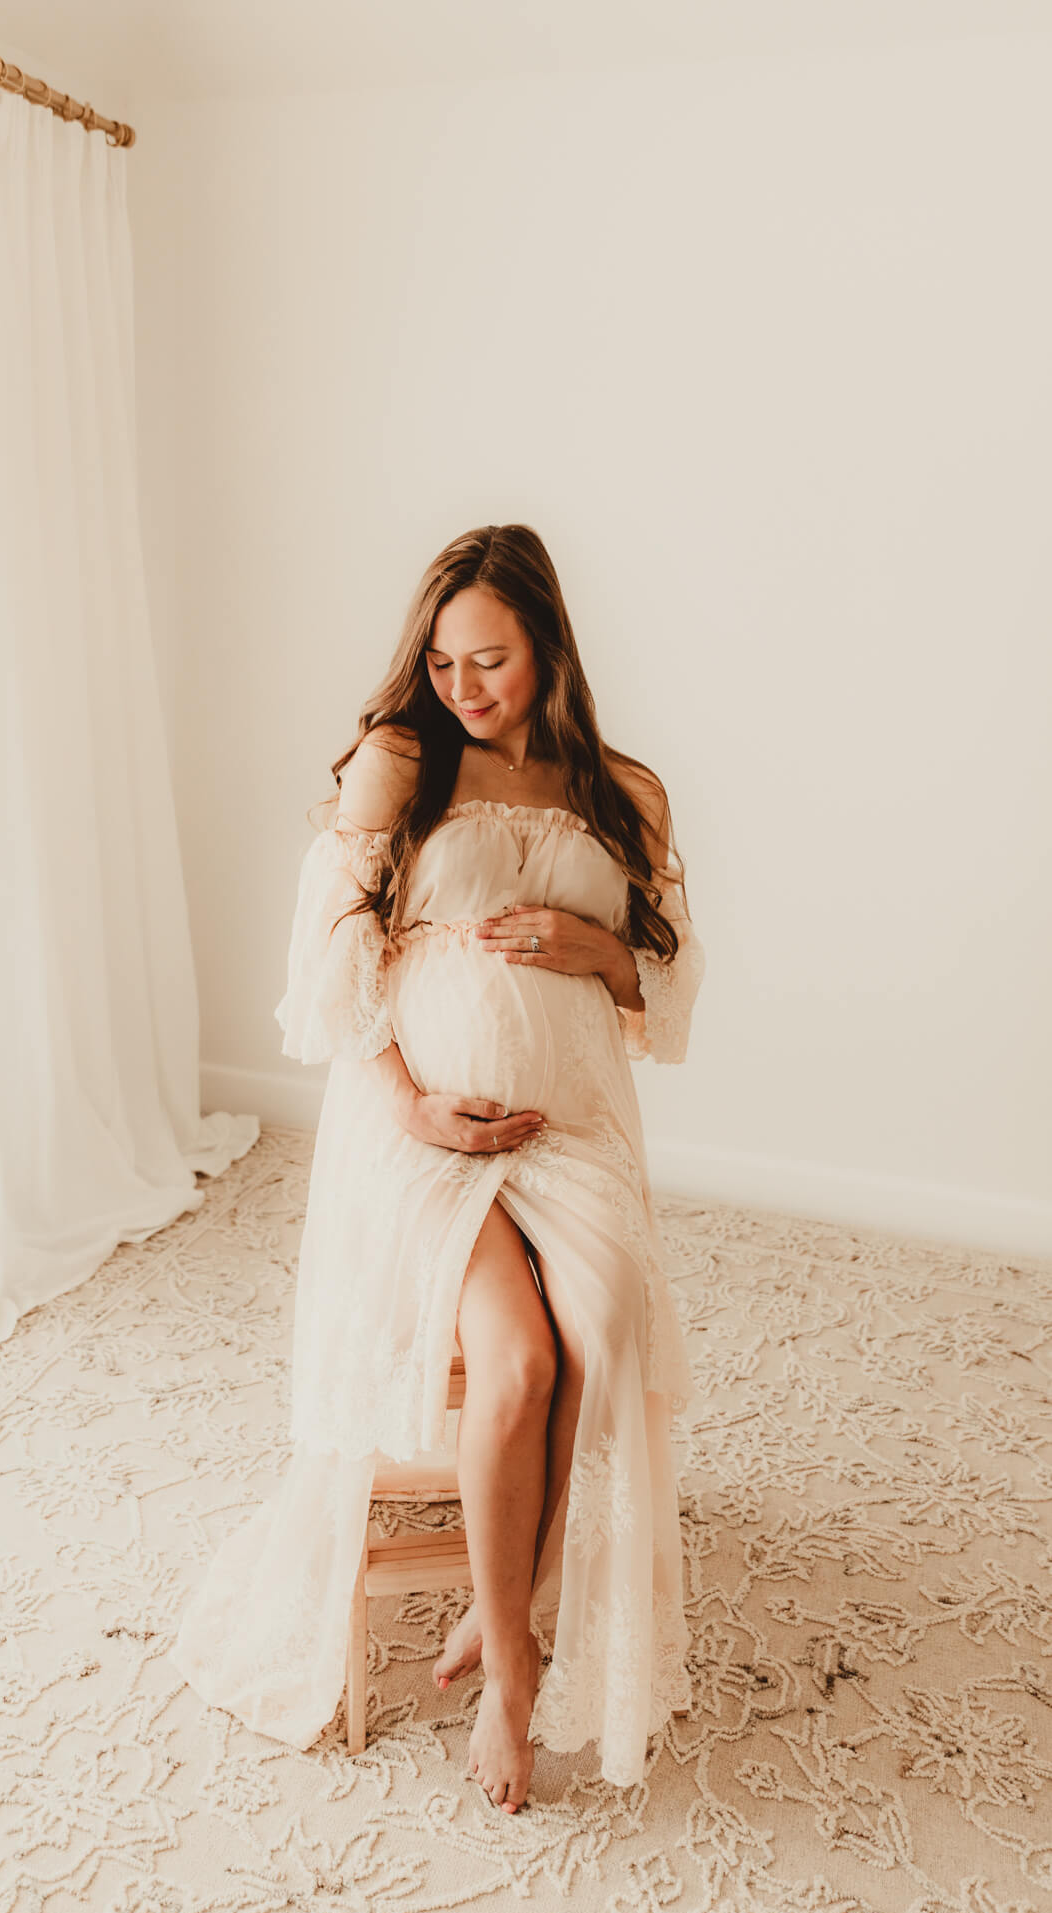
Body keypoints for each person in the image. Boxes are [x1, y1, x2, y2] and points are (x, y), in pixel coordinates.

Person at [168, 522, 705, 1812]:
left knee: (602, 1329)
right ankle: (514, 1671)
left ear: (551, 649)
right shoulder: (402, 768)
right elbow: (331, 977)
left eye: (496, 660)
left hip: (571, 1129)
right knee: (519, 1360)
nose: (468, 687)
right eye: (449, 661)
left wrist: (599, 950)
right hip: (420, 1135)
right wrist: (412, 1106)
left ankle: (505, 1601)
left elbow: (672, 973)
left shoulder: (620, 792)